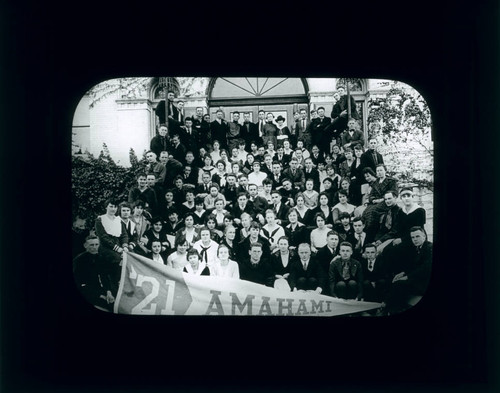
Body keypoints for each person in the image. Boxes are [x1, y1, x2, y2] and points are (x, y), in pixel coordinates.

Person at [382, 226, 432, 315]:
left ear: (424, 236)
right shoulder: (415, 249)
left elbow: (425, 268)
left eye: (417, 236)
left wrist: (407, 277)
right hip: (416, 279)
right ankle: (389, 308)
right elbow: (412, 266)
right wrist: (403, 273)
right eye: (412, 237)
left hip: (424, 282)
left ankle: (390, 309)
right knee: (393, 279)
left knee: (399, 284)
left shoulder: (429, 248)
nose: (415, 239)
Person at [94, 198, 129, 290]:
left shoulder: (118, 220)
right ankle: (114, 285)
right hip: (106, 247)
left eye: (115, 207)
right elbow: (103, 237)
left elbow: (124, 235)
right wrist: (117, 248)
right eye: (111, 206)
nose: (113, 209)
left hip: (119, 246)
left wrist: (125, 245)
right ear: (106, 207)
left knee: (131, 256)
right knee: (117, 259)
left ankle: (126, 284)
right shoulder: (100, 219)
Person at [73, 235, 115, 311]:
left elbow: (104, 276)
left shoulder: (100, 257)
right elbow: (79, 283)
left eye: (97, 244)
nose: (95, 247)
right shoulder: (79, 260)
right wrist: (100, 296)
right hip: (85, 291)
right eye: (91, 245)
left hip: (99, 289)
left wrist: (108, 292)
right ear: (85, 246)